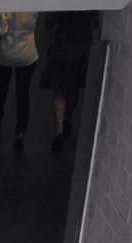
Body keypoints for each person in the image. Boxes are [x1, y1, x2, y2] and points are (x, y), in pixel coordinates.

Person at [39, 10, 100, 151]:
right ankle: (67, 119)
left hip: (63, 46)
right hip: (82, 47)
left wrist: (47, 47)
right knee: (74, 88)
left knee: (60, 91)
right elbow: (96, 23)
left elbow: (49, 22)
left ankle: (59, 130)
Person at [0, 12, 39, 149]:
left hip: (7, 53)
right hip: (27, 53)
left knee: (1, 87)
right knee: (23, 94)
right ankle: (20, 131)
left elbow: (2, 30)